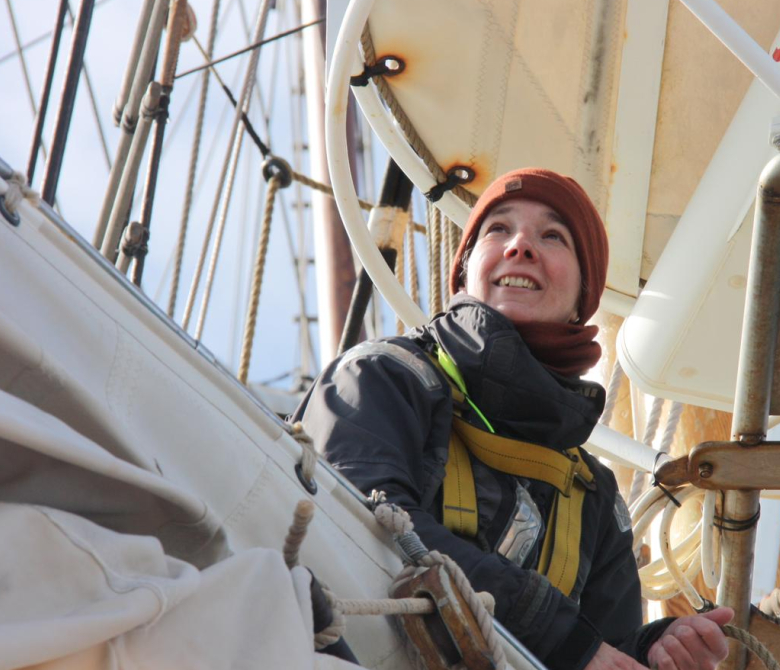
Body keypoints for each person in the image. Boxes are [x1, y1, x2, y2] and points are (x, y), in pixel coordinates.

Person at [295, 168, 733, 670]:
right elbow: (357, 528)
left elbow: (602, 646)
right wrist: (562, 637)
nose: (520, 245)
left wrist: (648, 651)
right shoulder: (381, 378)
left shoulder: (592, 494)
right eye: (498, 229)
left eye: (553, 236)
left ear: (584, 296)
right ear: (464, 273)